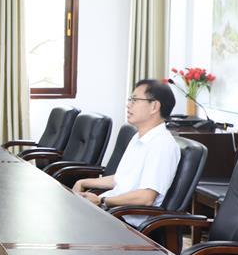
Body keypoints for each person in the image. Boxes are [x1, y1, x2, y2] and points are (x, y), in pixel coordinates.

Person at [73, 79, 181, 209]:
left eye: (134, 100)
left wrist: (101, 200)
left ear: (154, 106)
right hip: (111, 209)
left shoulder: (162, 145)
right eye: (130, 100)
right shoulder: (138, 137)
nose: (128, 105)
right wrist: (83, 182)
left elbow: (146, 198)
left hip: (124, 217)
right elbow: (121, 179)